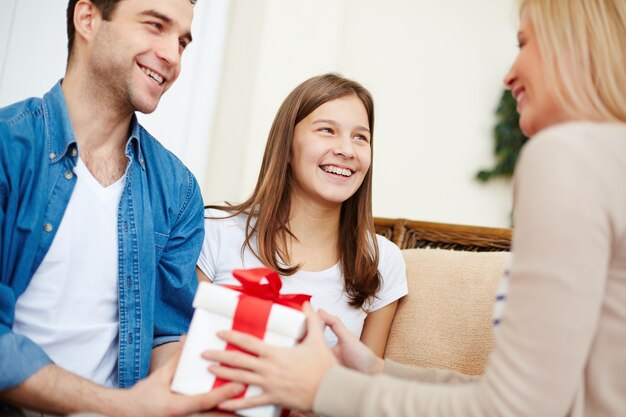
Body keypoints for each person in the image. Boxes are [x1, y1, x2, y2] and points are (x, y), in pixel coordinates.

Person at [201, 0, 626, 416]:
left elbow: (514, 407)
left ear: (572, 46)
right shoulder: (607, 160)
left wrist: (322, 388)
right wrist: (376, 370)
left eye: (523, 43)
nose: (509, 73)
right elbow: (552, 396)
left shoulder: (567, 157)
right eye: (326, 130)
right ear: (286, 147)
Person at [0, 0, 243, 415]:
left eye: (182, 42)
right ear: (88, 19)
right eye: (155, 26)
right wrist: (122, 407)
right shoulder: (9, 149)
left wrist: (181, 395)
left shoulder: (179, 190)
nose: (172, 55)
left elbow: (168, 332)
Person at [196, 73, 408, 357]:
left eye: (360, 137)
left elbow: (366, 387)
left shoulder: (382, 261)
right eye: (327, 130)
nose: (347, 150)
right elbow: (180, 353)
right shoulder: (215, 232)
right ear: (286, 147)